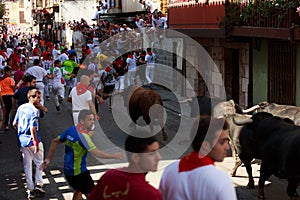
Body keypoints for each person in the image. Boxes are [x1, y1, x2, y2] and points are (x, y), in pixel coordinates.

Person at [41, 109, 123, 200]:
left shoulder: (72, 129)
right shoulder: (84, 137)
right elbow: (96, 153)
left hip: (68, 171)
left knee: (79, 190)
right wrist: (114, 156)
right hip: (79, 173)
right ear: (82, 121)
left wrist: (48, 159)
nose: (92, 122)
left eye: (93, 120)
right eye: (89, 120)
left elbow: (55, 141)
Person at [159, 116, 237, 200]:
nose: (227, 147)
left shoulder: (169, 171)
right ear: (205, 145)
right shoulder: (222, 181)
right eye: (222, 142)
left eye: (227, 142)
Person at [88, 134, 162, 200]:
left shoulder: (109, 176)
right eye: (152, 154)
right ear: (135, 158)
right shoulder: (152, 195)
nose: (159, 157)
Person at [12, 89, 46, 199]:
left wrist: (20, 133)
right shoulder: (34, 111)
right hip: (32, 140)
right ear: (31, 97)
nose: (39, 100)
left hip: (23, 140)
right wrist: (35, 142)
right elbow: (33, 128)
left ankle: (30, 188)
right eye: (37, 97)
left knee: (27, 165)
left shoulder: (21, 108)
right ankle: (39, 184)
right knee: (39, 162)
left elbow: (14, 123)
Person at [0, 66, 16, 131]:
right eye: (10, 72)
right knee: (8, 111)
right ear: (6, 72)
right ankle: (6, 125)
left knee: (3, 110)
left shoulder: (1, 79)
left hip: (2, 96)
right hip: (9, 96)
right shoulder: (10, 79)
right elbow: (13, 88)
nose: (10, 73)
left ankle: (3, 122)